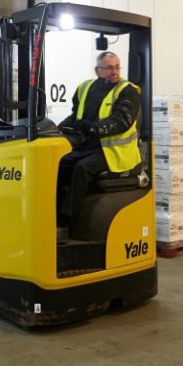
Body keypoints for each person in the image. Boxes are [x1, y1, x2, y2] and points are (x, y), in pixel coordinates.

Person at [56, 51, 142, 239]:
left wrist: (94, 129)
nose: (114, 72)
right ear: (97, 70)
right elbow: (76, 116)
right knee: (60, 163)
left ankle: (64, 223)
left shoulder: (127, 91)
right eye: (109, 68)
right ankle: (51, 214)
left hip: (114, 152)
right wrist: (56, 129)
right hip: (88, 147)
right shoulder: (85, 88)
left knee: (82, 168)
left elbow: (121, 121)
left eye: (117, 67)